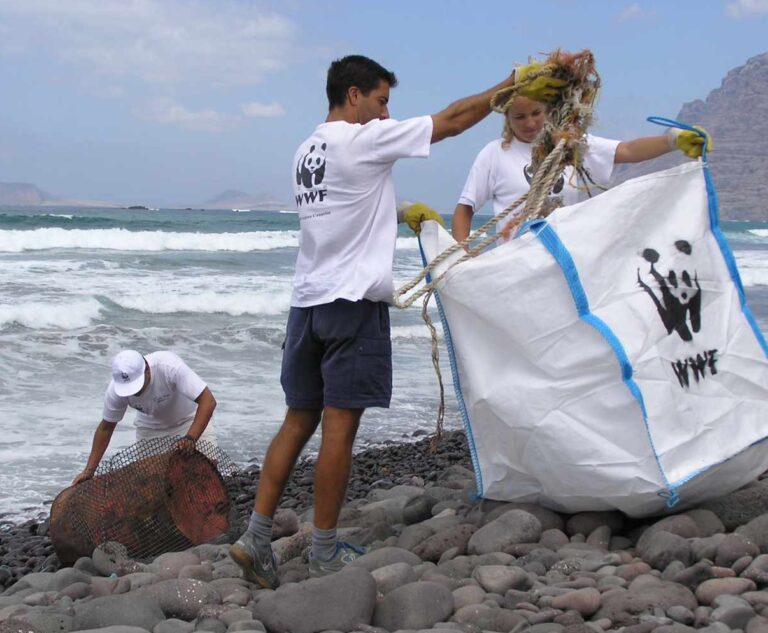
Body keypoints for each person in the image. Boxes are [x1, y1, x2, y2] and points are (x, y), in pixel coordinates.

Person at [229, 54, 567, 589]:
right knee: (340, 428)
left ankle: (254, 537)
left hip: (307, 304)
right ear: (355, 95)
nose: (387, 115)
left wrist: (401, 210)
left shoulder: (306, 149)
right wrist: (511, 87)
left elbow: (348, 209)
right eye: (382, 101)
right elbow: (453, 120)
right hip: (352, 306)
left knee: (298, 420)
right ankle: (322, 550)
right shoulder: (361, 139)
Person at [452, 94, 712, 241]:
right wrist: (461, 259)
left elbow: (628, 150)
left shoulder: (572, 145)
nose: (529, 122)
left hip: (571, 257)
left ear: (550, 111)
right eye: (519, 117)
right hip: (516, 265)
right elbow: (465, 209)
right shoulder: (495, 154)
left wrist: (672, 140)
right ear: (507, 119)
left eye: (536, 113)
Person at [72, 350, 218, 485]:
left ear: (147, 370)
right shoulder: (115, 390)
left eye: (136, 386)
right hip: (151, 429)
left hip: (189, 420)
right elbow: (106, 428)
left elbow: (208, 401)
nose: (134, 393)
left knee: (206, 471)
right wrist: (89, 470)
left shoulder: (168, 366)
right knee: (153, 483)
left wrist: (190, 438)